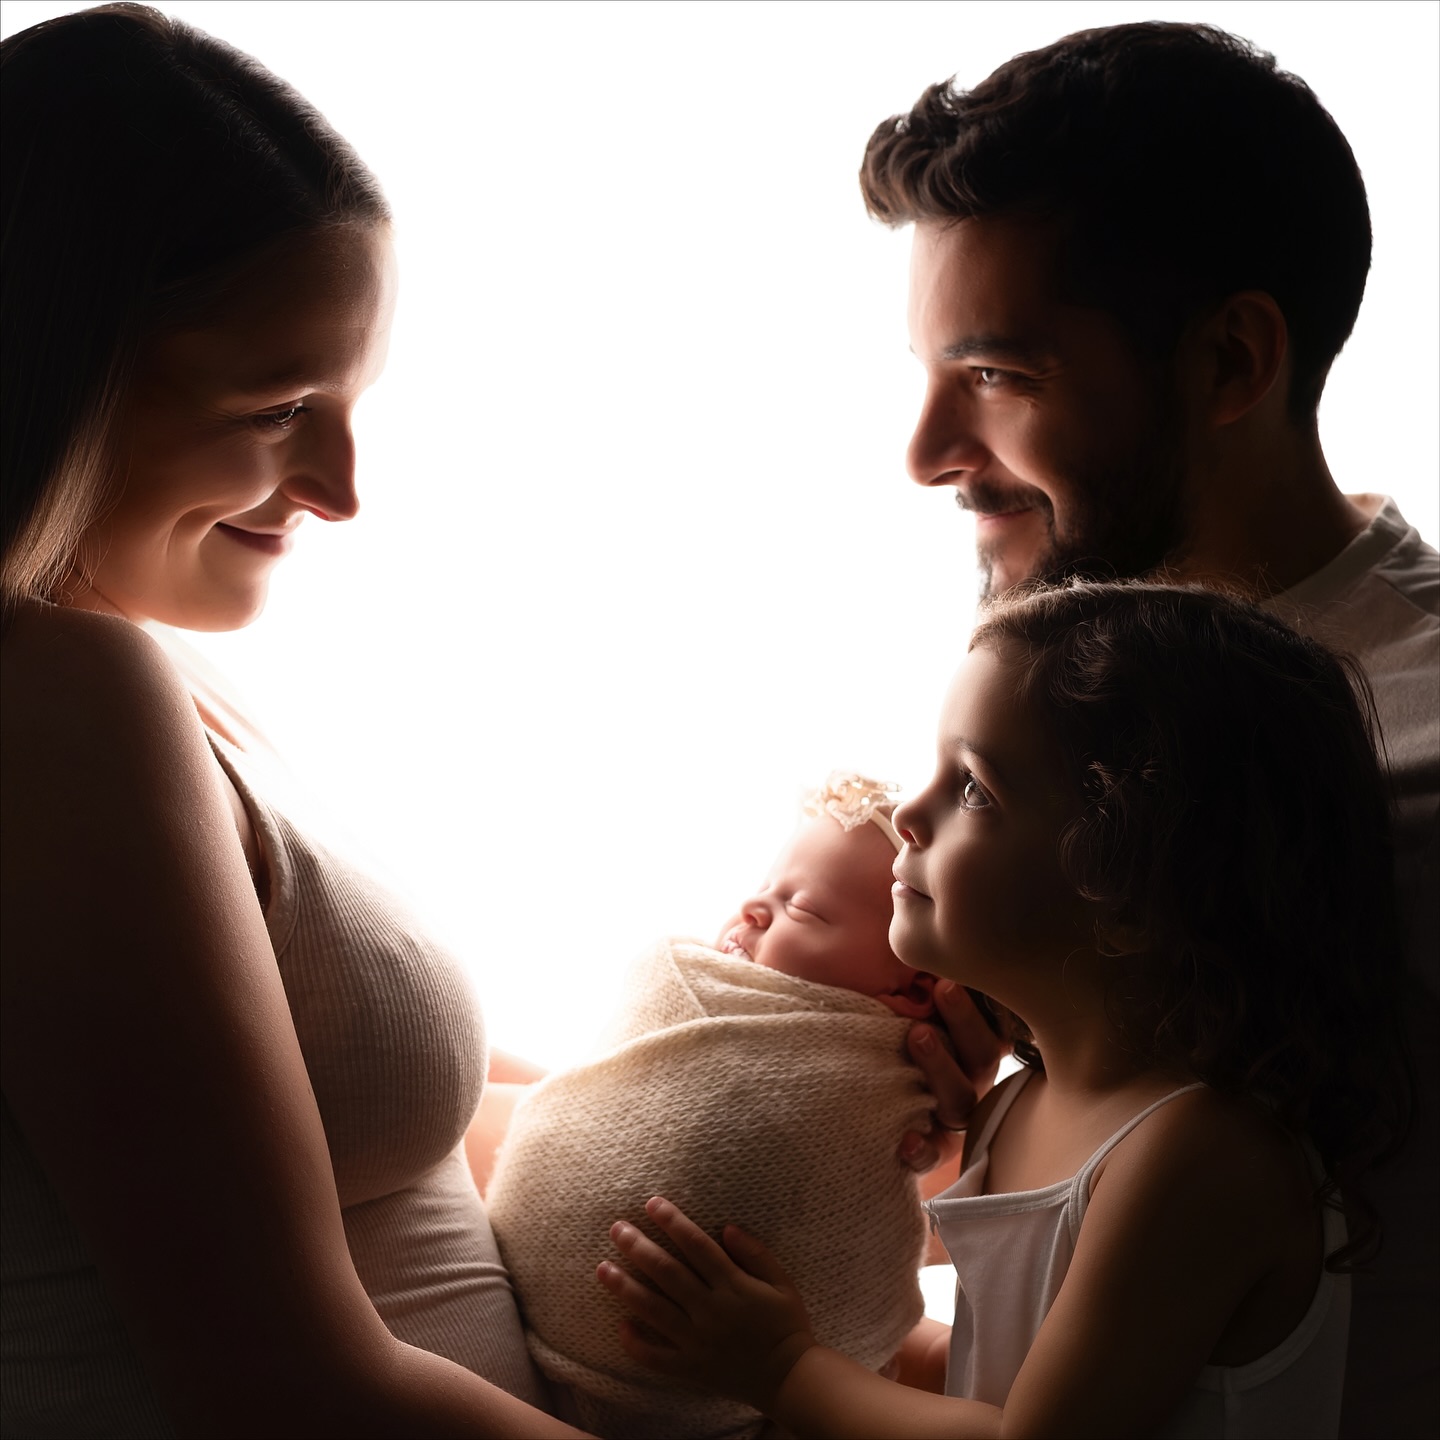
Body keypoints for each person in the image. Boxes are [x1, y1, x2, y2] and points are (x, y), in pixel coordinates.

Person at [0, 7, 596, 1435]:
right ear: (45, 385)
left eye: (349, 399)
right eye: (277, 408)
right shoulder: (52, 700)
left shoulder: (131, 672)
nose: (338, 485)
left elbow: (376, 1147)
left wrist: (806, 1079)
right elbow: (288, 1386)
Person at [864, 23, 1440, 1434]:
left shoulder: (1405, 785)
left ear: (1233, 360)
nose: (928, 450)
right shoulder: (1072, 667)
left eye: (999, 378)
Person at [598, 579, 1411, 1439]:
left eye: (975, 788)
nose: (908, 813)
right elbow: (991, 1380)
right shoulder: (1012, 1109)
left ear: (1133, 893)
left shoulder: (1198, 1155)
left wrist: (781, 1366)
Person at [486, 773, 939, 1439]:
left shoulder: (863, 1087)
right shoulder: (693, 1003)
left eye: (804, 910)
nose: (753, 909)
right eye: (762, 889)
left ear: (911, 990)